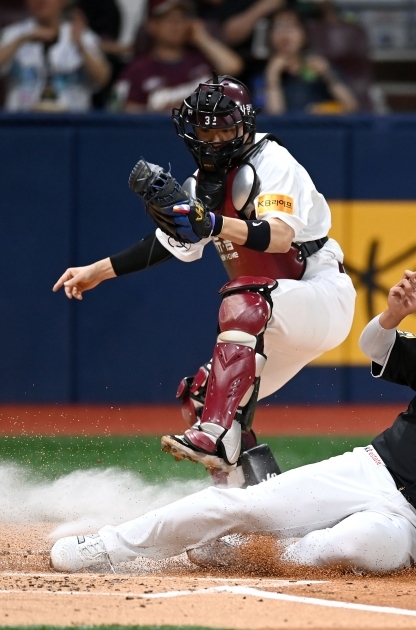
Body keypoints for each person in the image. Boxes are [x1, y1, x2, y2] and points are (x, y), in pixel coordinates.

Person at [49, 270, 416, 583]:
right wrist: (390, 318)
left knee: (351, 547)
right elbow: (375, 349)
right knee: (243, 504)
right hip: (366, 471)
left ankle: (247, 552)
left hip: (415, 528)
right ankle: (110, 546)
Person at [53, 76, 355, 485]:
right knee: (200, 394)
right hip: (271, 320)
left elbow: (279, 235)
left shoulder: (272, 161)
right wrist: (98, 271)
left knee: (243, 298)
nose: (213, 138)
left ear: (245, 124)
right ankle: (253, 504)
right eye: (204, 128)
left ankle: (212, 434)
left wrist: (210, 222)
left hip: (319, 295)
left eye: (223, 127)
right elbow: (171, 242)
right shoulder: (200, 183)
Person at [113, 0, 242, 113]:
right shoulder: (138, 69)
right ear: (152, 25)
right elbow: (127, 112)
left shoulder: (201, 58)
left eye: (182, 19)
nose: (176, 25)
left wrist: (202, 38)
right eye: (169, 19)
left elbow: (233, 67)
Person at [0, 0, 110, 111]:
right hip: (22, 122)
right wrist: (21, 40)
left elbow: (102, 79)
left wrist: (80, 46)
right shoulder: (14, 34)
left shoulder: (82, 35)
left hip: (71, 123)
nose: (41, 2)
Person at [262, 7, 358, 114]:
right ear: (269, 36)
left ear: (304, 34)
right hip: (285, 130)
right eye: (278, 27)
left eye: (292, 26)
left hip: (318, 128)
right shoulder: (263, 72)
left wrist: (328, 75)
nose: (285, 33)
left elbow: (351, 107)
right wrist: (272, 78)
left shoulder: (320, 67)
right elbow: (274, 118)